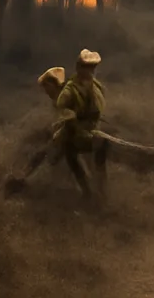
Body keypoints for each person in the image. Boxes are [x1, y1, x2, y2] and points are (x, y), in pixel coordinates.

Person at [53, 49, 109, 199]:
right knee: (71, 156)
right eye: (87, 67)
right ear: (79, 67)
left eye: (93, 67)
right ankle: (87, 190)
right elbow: (61, 106)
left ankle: (99, 186)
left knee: (99, 149)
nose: (91, 71)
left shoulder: (96, 86)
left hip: (91, 129)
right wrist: (71, 118)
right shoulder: (71, 89)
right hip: (76, 131)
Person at [4, 66, 68, 195]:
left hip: (73, 133)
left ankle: (22, 178)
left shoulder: (65, 98)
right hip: (65, 133)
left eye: (46, 87)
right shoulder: (58, 99)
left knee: (43, 152)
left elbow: (71, 119)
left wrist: (58, 134)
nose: (45, 91)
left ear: (52, 85)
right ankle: (23, 176)